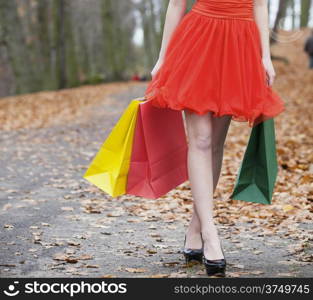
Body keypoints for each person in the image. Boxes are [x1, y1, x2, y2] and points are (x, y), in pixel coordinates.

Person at [144, 0, 285, 277]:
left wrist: (265, 56)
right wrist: (163, 58)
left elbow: (260, 4)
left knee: (216, 144)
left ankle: (195, 227)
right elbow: (176, 4)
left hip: (239, 43)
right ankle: (210, 234)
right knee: (202, 140)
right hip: (199, 38)